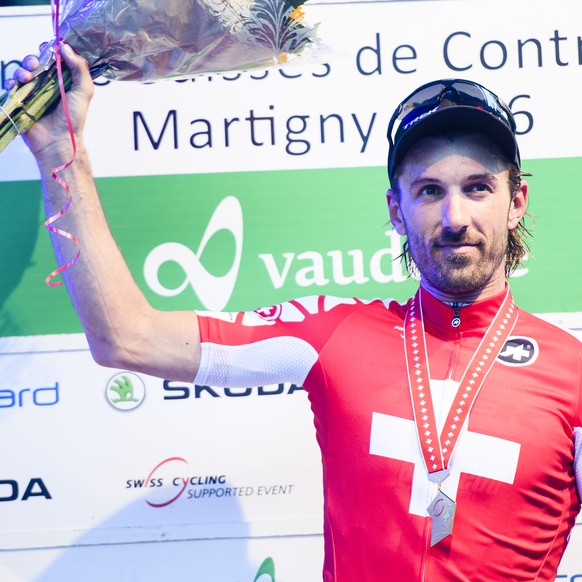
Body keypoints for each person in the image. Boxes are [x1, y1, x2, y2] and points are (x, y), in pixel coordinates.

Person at [10, 46, 582, 581]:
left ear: (516, 201)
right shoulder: (338, 333)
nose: (454, 216)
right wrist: (64, 154)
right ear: (397, 210)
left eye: (478, 187)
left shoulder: (574, 375)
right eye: (429, 191)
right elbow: (126, 337)